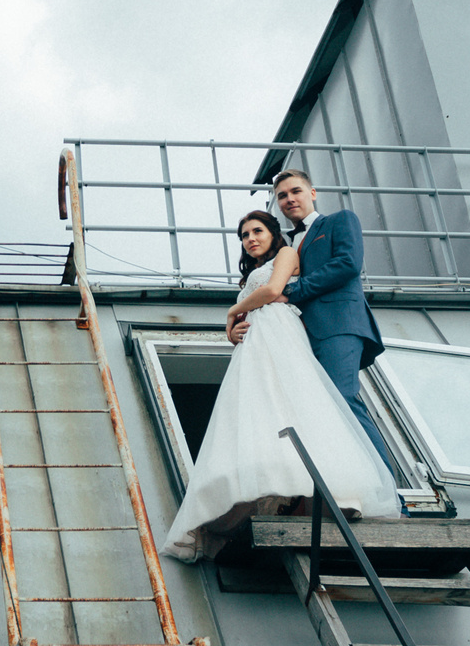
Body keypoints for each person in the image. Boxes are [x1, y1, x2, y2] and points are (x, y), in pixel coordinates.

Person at [161, 210, 399, 562]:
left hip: (279, 332)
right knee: (261, 409)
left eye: (257, 231)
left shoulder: (287, 255)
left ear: (273, 233)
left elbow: (273, 290)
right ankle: (275, 488)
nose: (251, 238)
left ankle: (331, 488)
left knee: (295, 399)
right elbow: (253, 307)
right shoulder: (250, 274)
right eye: (244, 235)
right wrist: (234, 328)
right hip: (256, 339)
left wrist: (230, 313)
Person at [237, 167, 393, 467]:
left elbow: (348, 264)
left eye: (295, 191)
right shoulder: (286, 245)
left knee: (343, 399)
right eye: (282, 196)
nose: (289, 199)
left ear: (312, 193)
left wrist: (294, 292)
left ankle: (391, 498)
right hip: (301, 335)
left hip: (339, 324)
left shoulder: (339, 221)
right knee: (319, 411)